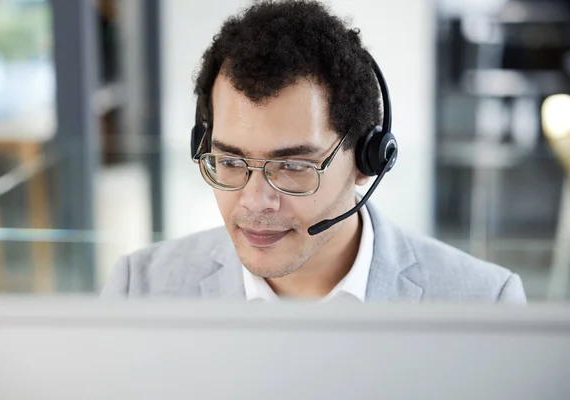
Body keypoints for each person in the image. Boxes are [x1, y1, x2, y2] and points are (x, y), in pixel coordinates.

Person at [102, 0, 526, 303]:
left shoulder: (486, 302)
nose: (255, 201)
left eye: (291, 166)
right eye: (230, 162)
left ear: (366, 159)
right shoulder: (138, 289)